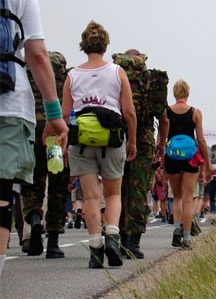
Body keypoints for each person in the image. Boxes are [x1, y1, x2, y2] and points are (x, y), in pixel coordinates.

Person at [0, 0, 69, 277]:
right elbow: (37, 55)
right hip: (10, 107)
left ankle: (34, 218)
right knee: (2, 197)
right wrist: (54, 115)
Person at [62, 21, 137, 268]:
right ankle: (113, 236)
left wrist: (62, 145)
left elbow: (64, 115)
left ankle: (96, 249)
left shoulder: (72, 75)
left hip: (82, 139)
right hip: (112, 137)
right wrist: (132, 140)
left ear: (84, 45)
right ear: (106, 45)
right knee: (113, 193)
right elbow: (129, 112)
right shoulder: (117, 72)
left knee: (92, 197)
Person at [113, 49, 169, 260]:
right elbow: (163, 120)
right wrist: (160, 144)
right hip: (144, 140)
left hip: (116, 137)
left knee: (116, 190)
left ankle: (115, 236)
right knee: (138, 190)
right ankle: (133, 242)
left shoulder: (115, 77)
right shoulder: (150, 82)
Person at [21, 51, 71, 258]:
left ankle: (33, 218)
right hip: (55, 136)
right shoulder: (64, 80)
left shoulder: (26, 76)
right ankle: (53, 242)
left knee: (32, 183)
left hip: (31, 132)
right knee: (58, 185)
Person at [164, 79, 214, 249]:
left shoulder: (166, 112)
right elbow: (201, 139)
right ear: (188, 93)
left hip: (171, 156)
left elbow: (161, 138)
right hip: (190, 157)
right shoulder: (195, 113)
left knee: (176, 197)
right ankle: (186, 237)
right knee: (187, 198)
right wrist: (207, 163)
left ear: (174, 93)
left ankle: (176, 228)